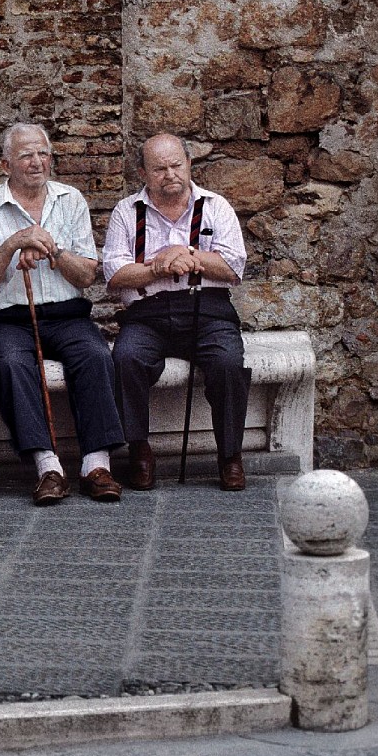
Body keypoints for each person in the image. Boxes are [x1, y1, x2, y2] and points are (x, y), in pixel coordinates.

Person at [0, 123, 125, 505]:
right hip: (8, 318)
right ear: (5, 165)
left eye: (43, 154)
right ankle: (47, 467)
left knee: (97, 356)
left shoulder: (70, 200)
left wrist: (53, 250)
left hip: (68, 314)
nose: (37, 162)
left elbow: (87, 275)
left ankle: (96, 466)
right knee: (12, 364)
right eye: (26, 156)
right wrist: (13, 245)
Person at [103, 133, 250, 492]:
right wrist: (158, 266)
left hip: (209, 311)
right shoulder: (127, 211)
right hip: (147, 314)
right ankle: (139, 450)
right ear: (143, 172)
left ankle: (230, 455)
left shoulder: (216, 206)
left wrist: (187, 254)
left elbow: (234, 268)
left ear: (189, 164)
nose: (170, 174)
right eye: (159, 168)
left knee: (228, 362)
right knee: (126, 358)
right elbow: (114, 275)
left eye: (176, 165)